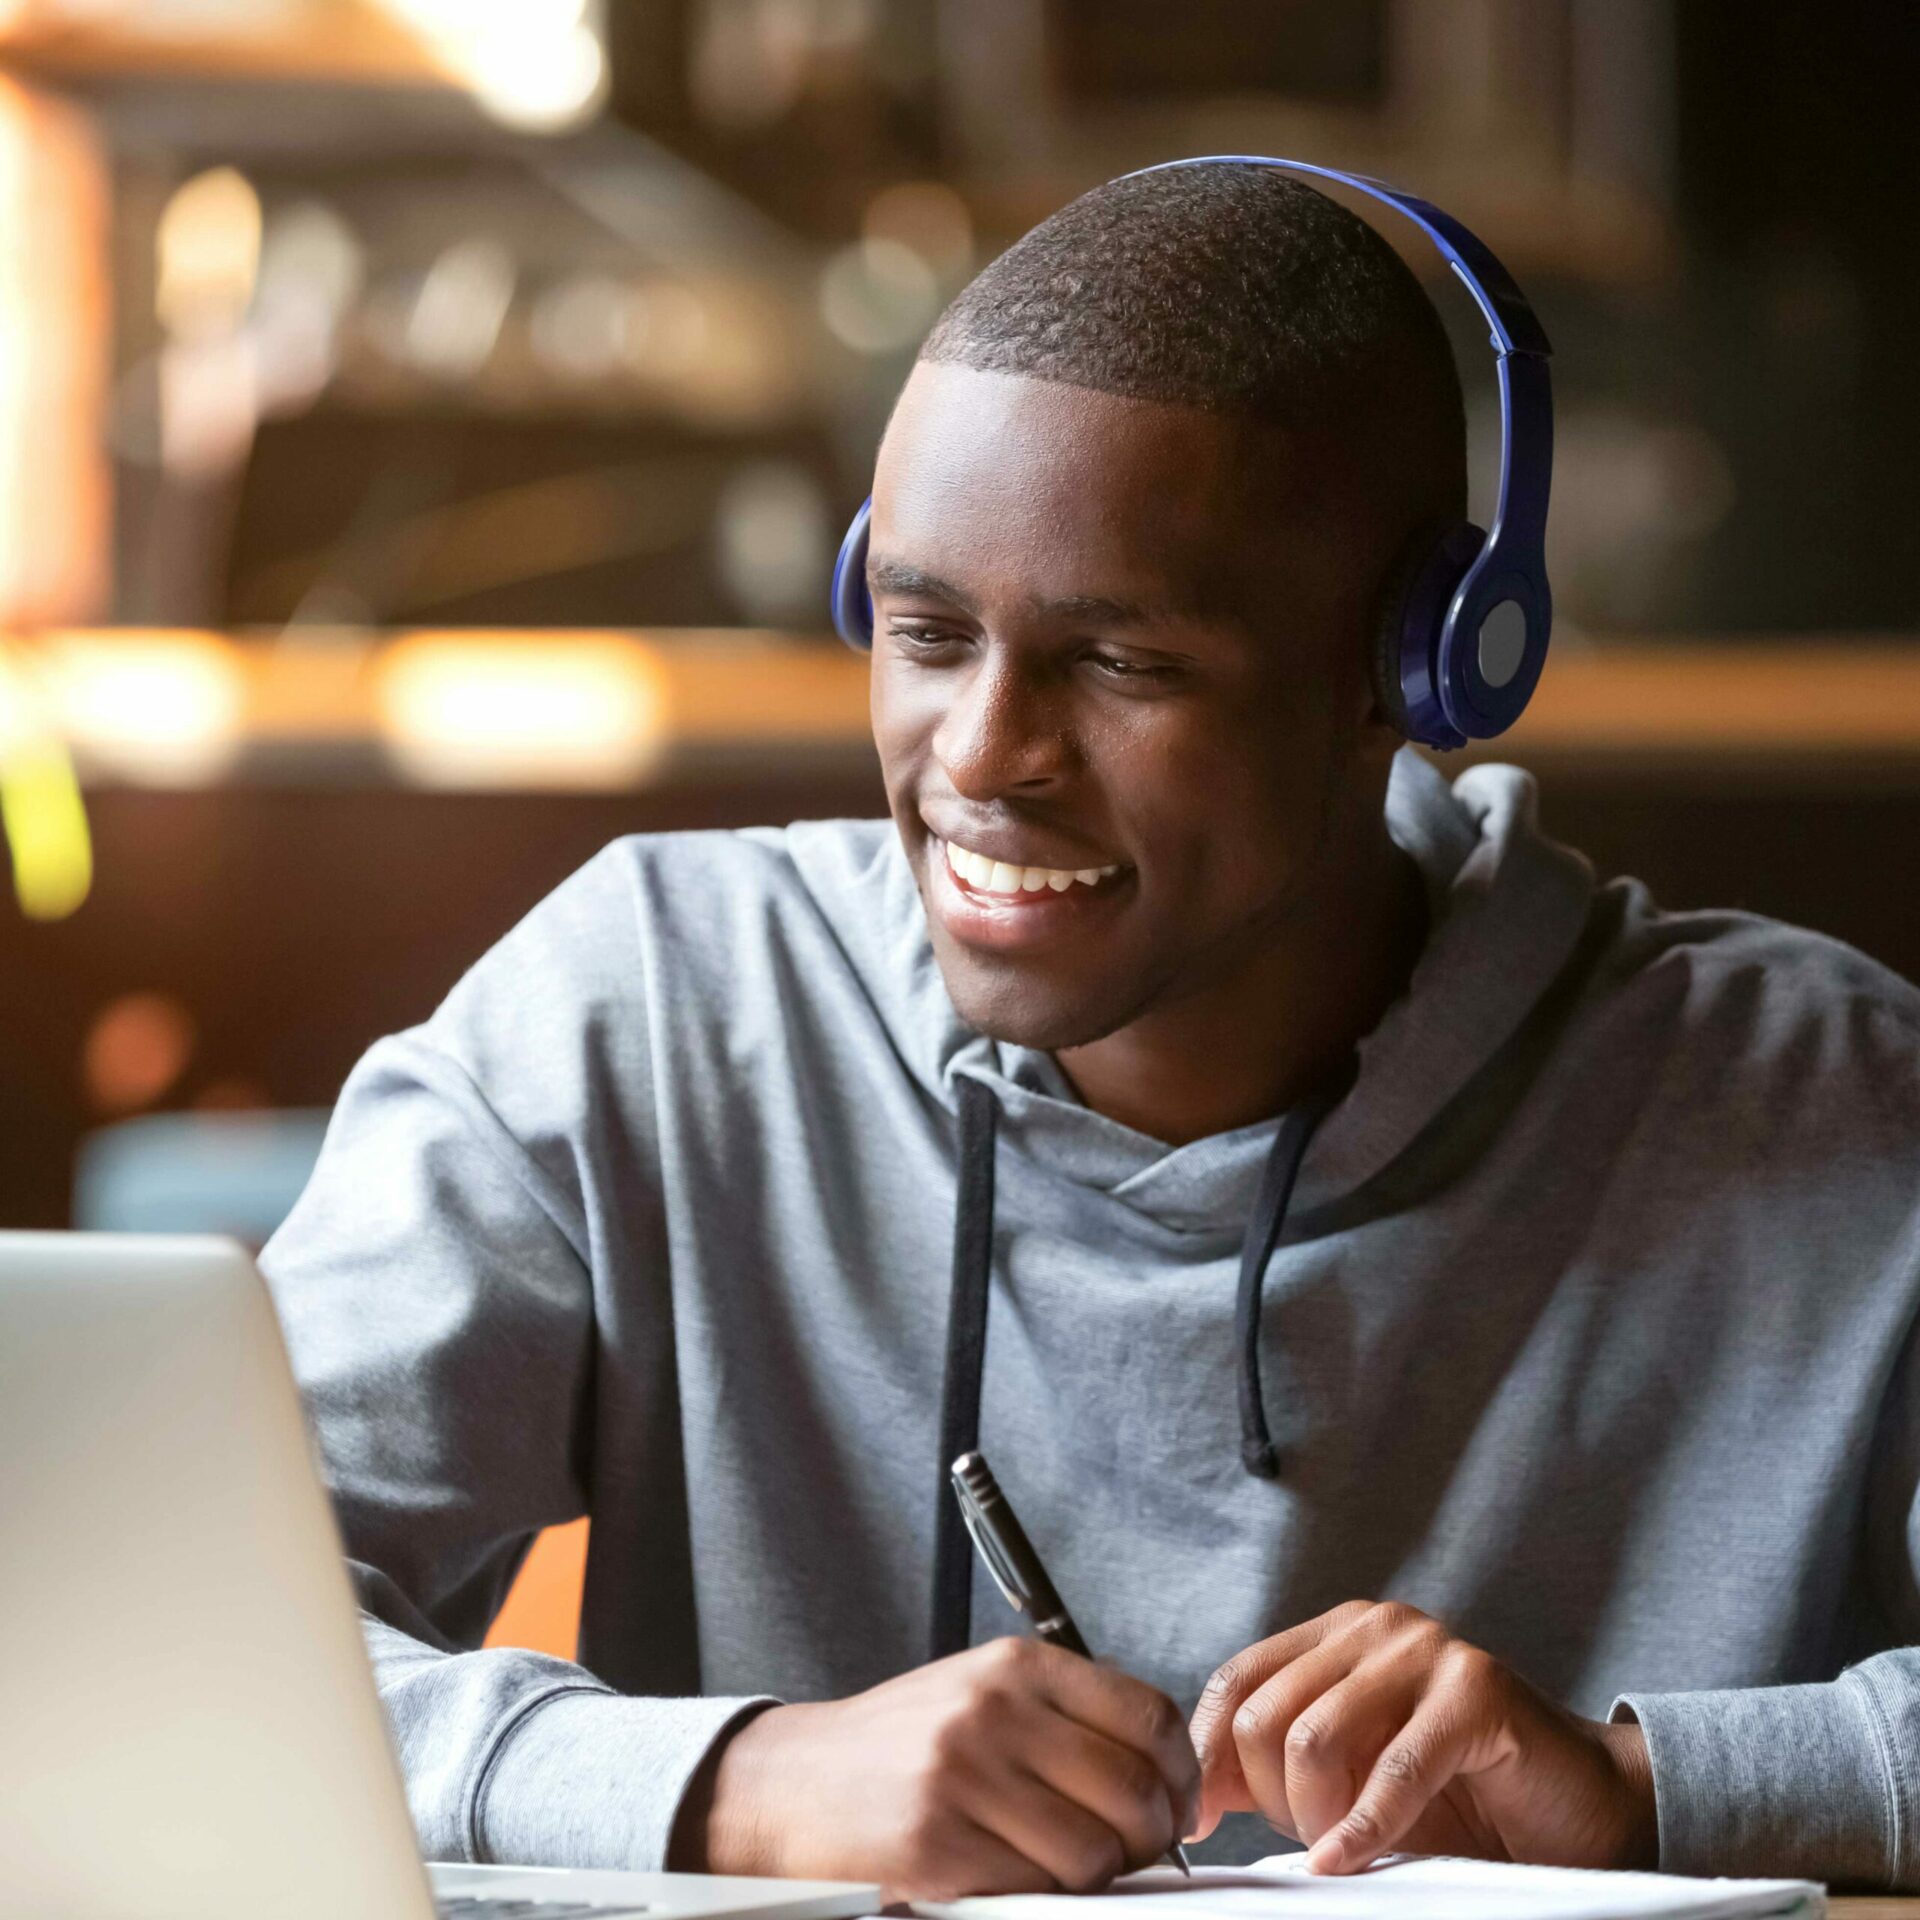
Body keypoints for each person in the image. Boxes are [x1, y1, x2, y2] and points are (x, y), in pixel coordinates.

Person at [261, 164, 1920, 1900]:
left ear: (1412, 672)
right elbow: (98, 1632)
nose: (980, 757)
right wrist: (738, 1781)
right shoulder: (652, 1009)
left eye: (1121, 664)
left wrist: (1644, 1784)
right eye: (925, 632)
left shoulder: (1825, 1103)